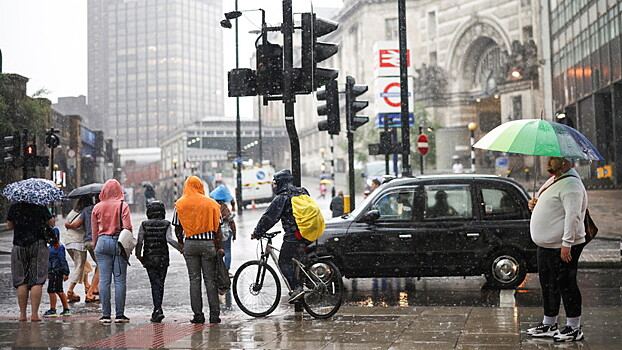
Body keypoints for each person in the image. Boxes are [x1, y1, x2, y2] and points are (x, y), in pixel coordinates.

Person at [527, 157, 587, 342]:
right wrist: (535, 206)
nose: (548, 162)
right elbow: (553, 207)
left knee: (566, 284)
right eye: (549, 158)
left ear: (566, 162)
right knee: (548, 285)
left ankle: (574, 327)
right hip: (546, 246)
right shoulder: (555, 180)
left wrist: (566, 243)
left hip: (561, 246)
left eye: (553, 159)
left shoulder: (571, 185)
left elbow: (572, 216)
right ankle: (549, 323)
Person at [252, 169, 310, 303]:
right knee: (298, 260)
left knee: (283, 261)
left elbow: (269, 217)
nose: (275, 186)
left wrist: (257, 232)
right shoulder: (302, 191)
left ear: (281, 182)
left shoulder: (282, 197)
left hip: (294, 234)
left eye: (276, 183)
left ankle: (297, 288)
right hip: (307, 231)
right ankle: (304, 281)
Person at [173, 176, 223, 325]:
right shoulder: (211, 204)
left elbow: (177, 227)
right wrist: (219, 246)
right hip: (208, 244)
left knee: (194, 280)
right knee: (210, 280)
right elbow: (218, 228)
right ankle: (214, 315)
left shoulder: (180, 204)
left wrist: (182, 243)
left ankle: (198, 315)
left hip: (190, 244)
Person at [92, 179, 132, 324]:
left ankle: (106, 315)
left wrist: (97, 247)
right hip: (118, 243)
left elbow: (94, 231)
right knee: (120, 280)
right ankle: (120, 315)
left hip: (101, 243)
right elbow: (127, 227)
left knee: (104, 280)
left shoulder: (97, 207)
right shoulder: (123, 205)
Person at [7, 202, 55, 322]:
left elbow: (9, 226)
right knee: (37, 280)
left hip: (19, 245)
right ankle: (34, 314)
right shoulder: (40, 206)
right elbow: (52, 223)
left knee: (21, 280)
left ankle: (22, 315)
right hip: (38, 244)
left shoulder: (14, 207)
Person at [135, 201, 182, 323]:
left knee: (154, 283)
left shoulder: (144, 224)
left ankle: (157, 309)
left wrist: (138, 255)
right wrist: (181, 249)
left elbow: (139, 241)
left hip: (149, 258)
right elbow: (170, 239)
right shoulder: (166, 224)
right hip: (163, 258)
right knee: (160, 283)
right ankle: (158, 309)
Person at [66, 196, 100, 302]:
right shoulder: (94, 209)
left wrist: (68, 225)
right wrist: (71, 225)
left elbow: (74, 224)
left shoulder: (74, 212)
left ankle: (88, 286)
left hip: (70, 242)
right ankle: (72, 291)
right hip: (79, 242)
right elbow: (77, 225)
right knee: (81, 267)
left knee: (84, 264)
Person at [43, 227, 71, 317]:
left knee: (55, 290)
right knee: (56, 290)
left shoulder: (59, 247)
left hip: (57, 272)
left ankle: (54, 309)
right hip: (52, 272)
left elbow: (63, 260)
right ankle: (64, 308)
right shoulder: (49, 247)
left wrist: (65, 272)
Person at [209, 185, 236, 275]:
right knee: (227, 251)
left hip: (216, 232)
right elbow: (231, 221)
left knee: (218, 251)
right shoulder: (225, 207)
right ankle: (226, 271)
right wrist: (234, 234)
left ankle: (218, 270)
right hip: (226, 232)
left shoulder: (213, 207)